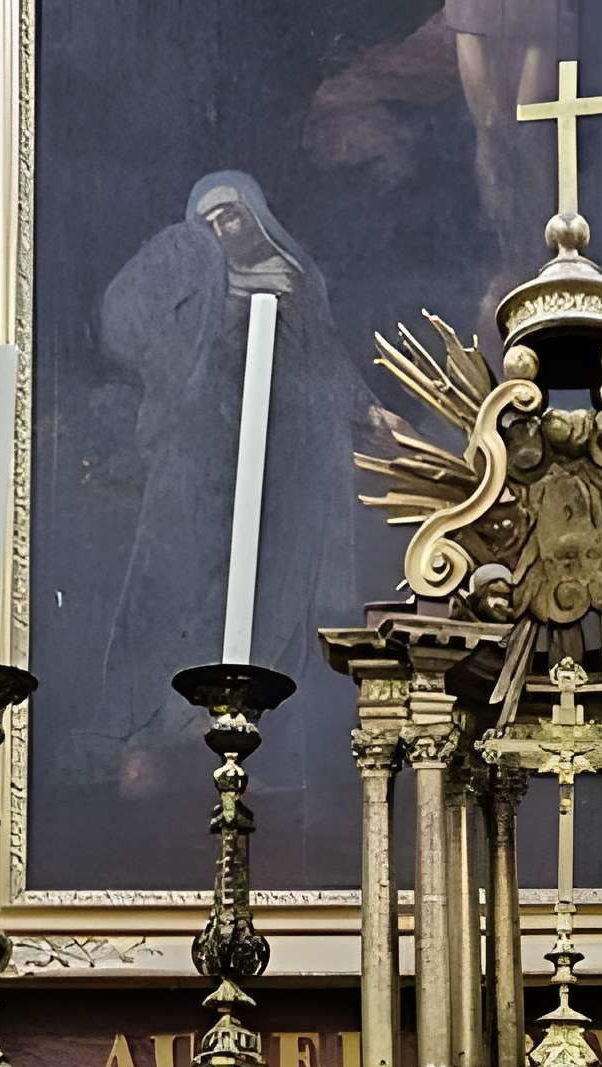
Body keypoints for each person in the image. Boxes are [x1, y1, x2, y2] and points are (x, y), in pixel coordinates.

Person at [91, 172, 381, 790]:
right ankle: (163, 723)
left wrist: (365, 409)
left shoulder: (299, 284)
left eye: (232, 214)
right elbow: (151, 343)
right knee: (184, 580)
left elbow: (325, 362)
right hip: (198, 463)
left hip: (282, 467)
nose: (224, 228)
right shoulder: (198, 289)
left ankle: (251, 716)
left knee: (272, 583)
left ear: (258, 213)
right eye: (210, 221)